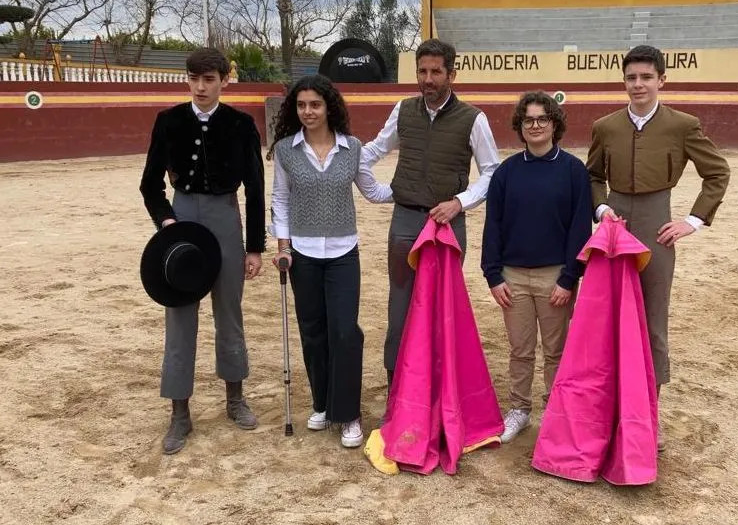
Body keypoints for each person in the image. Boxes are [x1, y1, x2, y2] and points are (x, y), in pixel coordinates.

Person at [586, 44, 730, 451]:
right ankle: (607, 411)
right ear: (624, 81)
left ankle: (647, 414)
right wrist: (602, 209)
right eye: (631, 77)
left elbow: (717, 173)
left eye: (646, 77)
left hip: (656, 225)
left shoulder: (682, 125)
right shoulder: (606, 127)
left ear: (661, 80)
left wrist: (693, 221)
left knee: (652, 322)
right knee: (607, 319)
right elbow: (592, 176)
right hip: (613, 227)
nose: (638, 84)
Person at [140, 47, 265, 455]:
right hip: (182, 219)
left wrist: (254, 247)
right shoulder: (169, 120)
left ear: (224, 80)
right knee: (179, 314)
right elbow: (150, 185)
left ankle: (235, 398)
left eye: (208, 79)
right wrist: (166, 222)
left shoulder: (241, 124)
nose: (199, 87)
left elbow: (255, 189)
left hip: (225, 218)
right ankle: (180, 412)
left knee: (229, 311)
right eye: (193, 78)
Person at [363, 38, 500, 390]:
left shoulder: (473, 118)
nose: (427, 79)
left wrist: (460, 202)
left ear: (452, 74)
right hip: (406, 219)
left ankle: (441, 386)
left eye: (436, 72)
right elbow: (375, 150)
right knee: (400, 304)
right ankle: (398, 387)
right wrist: (352, 168)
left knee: (443, 305)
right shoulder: (403, 110)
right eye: (422, 71)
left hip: (447, 223)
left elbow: (491, 172)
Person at [269, 75, 392, 448]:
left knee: (344, 332)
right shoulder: (286, 150)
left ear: (328, 107)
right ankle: (322, 403)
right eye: (301, 105)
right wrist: (283, 246)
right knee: (313, 332)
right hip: (302, 253)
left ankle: (348, 412)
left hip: (343, 253)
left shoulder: (352, 148)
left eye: (315, 105)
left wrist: (410, 189)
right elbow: (280, 199)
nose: (307, 112)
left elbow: (372, 191)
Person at [481, 91, 593, 443]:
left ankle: (557, 411)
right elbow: (493, 226)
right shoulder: (507, 172)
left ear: (554, 123)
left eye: (542, 118)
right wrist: (493, 275)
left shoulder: (573, 171)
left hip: (555, 276)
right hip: (512, 277)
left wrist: (569, 277)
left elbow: (580, 229)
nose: (535, 125)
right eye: (528, 120)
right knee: (520, 349)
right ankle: (519, 409)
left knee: (557, 351)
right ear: (520, 125)